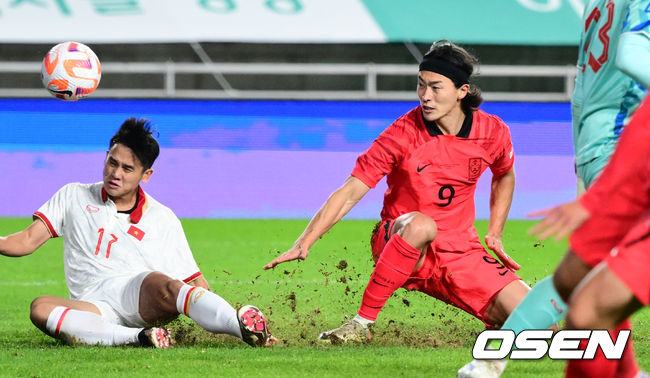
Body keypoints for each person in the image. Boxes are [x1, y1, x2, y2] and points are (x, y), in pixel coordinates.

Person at [264, 40, 531, 346]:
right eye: (421, 85)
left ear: (462, 91)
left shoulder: (493, 132)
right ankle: (360, 324)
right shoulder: (402, 133)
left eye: (435, 87)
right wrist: (305, 241)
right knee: (421, 225)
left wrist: (495, 232)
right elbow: (351, 190)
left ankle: (498, 324)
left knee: (539, 324)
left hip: (460, 250)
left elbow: (504, 173)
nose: (425, 96)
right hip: (399, 240)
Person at [458, 0, 650, 376]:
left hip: (601, 142)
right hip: (623, 143)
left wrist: (585, 156)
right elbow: (631, 54)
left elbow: (582, 87)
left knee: (590, 272)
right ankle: (491, 360)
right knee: (589, 276)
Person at [0, 118, 276, 348]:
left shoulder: (162, 218)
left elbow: (195, 283)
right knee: (40, 308)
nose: (115, 173)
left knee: (162, 282)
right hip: (93, 307)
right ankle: (138, 339)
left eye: (127, 168)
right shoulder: (73, 195)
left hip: (140, 297)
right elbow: (25, 241)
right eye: (112, 162)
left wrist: (225, 317)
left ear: (146, 175)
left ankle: (245, 329)